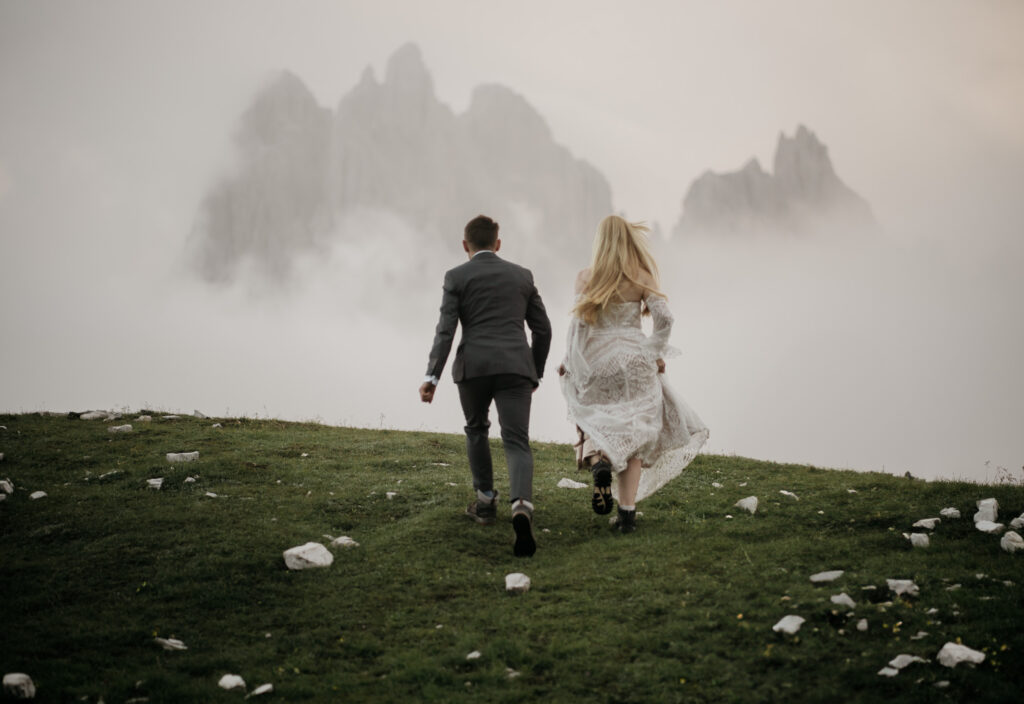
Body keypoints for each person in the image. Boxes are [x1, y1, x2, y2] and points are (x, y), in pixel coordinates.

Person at [559, 215, 709, 533]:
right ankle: (627, 515)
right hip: (636, 362)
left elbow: (578, 330)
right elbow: (665, 318)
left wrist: (570, 363)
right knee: (636, 434)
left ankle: (599, 461)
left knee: (594, 417)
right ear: (628, 241)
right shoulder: (641, 277)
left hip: (600, 363)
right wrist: (653, 352)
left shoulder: (586, 278)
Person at [420, 215, 552, 557]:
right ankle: (521, 505)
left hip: (474, 368)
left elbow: (445, 331)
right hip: (516, 369)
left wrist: (431, 377)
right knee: (516, 440)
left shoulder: (456, 277)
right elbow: (544, 329)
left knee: (476, 429)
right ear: (498, 243)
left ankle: (485, 502)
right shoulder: (522, 275)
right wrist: (533, 371)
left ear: (466, 245)